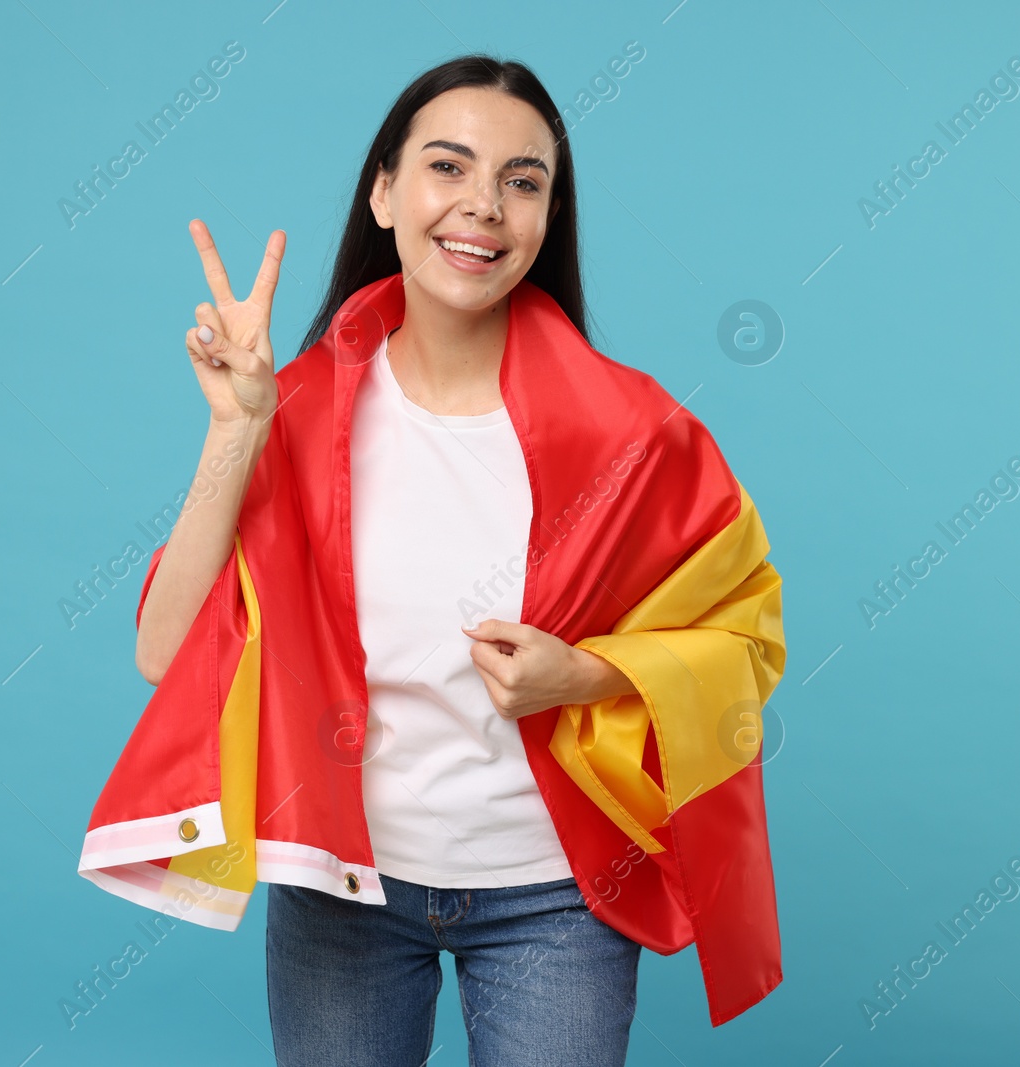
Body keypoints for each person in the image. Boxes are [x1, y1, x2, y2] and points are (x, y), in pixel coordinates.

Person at [83, 53, 785, 1067]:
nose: (483, 208)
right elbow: (164, 649)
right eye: (448, 167)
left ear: (547, 218)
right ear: (383, 191)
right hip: (343, 890)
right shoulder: (301, 415)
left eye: (522, 181)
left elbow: (743, 639)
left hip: (556, 896)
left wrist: (583, 672)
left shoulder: (635, 432)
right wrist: (237, 429)